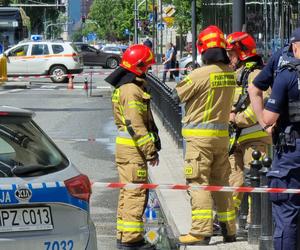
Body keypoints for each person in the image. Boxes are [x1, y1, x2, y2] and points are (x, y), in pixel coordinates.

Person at [173, 25, 237, 245]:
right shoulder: (229, 73)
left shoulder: (198, 75)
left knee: (198, 183)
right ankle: (229, 229)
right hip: (221, 137)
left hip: (199, 141)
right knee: (221, 183)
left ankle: (201, 232)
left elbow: (176, 95)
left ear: (203, 49)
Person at [105, 44, 160, 250]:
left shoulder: (127, 87)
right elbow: (135, 124)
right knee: (135, 193)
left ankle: (124, 236)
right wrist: (150, 150)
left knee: (128, 192)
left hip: (127, 151)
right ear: (138, 66)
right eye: (146, 66)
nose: (148, 70)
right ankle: (131, 239)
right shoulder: (131, 90)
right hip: (133, 151)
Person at [225, 32, 272, 228]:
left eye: (231, 53)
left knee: (255, 182)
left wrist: (237, 119)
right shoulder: (239, 74)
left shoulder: (256, 74)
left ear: (242, 52)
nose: (229, 58)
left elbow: (260, 106)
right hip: (237, 138)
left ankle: (256, 225)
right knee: (234, 180)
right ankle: (229, 221)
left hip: (254, 139)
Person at [261, 27, 300, 250]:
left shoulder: (287, 75)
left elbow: (268, 117)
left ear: (294, 47)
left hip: (292, 152)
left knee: (287, 215)